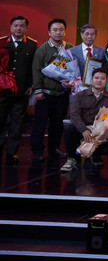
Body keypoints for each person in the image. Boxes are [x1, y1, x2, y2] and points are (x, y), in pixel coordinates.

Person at [31, 18, 74, 162]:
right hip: (45, 94)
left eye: (61, 30)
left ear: (65, 32)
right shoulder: (42, 50)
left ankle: (54, 148)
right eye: (55, 30)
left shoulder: (69, 47)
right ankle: (37, 151)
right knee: (40, 123)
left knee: (57, 123)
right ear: (49, 32)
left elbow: (74, 68)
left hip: (62, 94)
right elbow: (36, 71)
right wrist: (38, 91)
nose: (58, 32)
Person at [60, 68, 108, 172]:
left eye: (102, 78)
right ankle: (71, 159)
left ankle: (95, 154)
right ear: (91, 80)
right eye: (96, 78)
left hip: (100, 130)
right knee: (70, 129)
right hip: (83, 128)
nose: (99, 80)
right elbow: (74, 115)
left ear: (107, 81)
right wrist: (83, 129)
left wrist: (99, 131)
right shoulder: (80, 95)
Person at [0, 16, 38, 163]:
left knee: (17, 122)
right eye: (15, 26)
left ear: (26, 28)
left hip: (21, 91)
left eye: (22, 26)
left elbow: (33, 68)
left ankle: (12, 153)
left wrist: (31, 85)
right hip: (2, 90)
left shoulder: (32, 45)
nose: (18, 29)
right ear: (10, 27)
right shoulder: (2, 42)